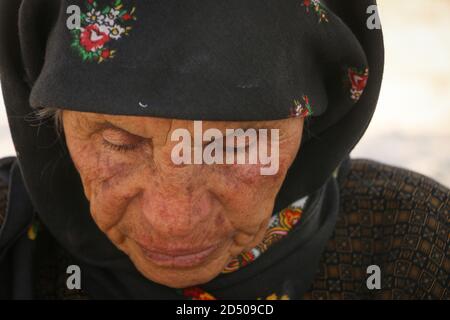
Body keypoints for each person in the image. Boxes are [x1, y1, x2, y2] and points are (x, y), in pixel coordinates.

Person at [0, 0, 448, 300]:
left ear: (318, 120)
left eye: (236, 144)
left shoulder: (421, 248)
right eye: (119, 142)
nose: (174, 221)